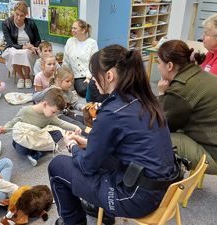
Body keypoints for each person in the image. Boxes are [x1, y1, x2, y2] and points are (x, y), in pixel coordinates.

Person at [48, 44, 179, 225]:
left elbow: (88, 166)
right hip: (163, 188)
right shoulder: (146, 98)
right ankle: (102, 209)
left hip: (136, 198)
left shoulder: (112, 113)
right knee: (97, 158)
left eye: (94, 75)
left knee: (57, 166)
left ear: (109, 76)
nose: (93, 79)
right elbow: (125, 144)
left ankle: (74, 222)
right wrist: (87, 143)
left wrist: (72, 146)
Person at [157, 40, 217, 175]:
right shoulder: (197, 73)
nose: (158, 67)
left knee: (153, 138)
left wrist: (162, 94)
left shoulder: (182, 88)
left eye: (159, 62)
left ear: (169, 66)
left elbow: (161, 124)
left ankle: (158, 182)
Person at [0, 88, 81, 166]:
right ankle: (36, 152)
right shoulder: (25, 111)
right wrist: (4, 129)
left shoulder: (50, 116)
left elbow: (61, 123)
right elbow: (13, 122)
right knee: (21, 149)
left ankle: (35, 154)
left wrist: (75, 127)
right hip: (26, 138)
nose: (54, 115)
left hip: (38, 137)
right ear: (45, 104)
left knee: (59, 135)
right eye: (53, 112)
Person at [2, 1, 41, 89]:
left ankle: (27, 77)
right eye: (17, 14)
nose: (18, 18)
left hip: (29, 46)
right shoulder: (6, 23)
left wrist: (33, 46)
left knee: (26, 53)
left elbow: (38, 39)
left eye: (22, 15)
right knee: (14, 53)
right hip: (13, 46)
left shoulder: (31, 23)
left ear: (26, 15)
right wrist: (23, 47)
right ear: (13, 12)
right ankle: (21, 77)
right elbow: (10, 43)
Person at [34, 66, 86, 130]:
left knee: (82, 119)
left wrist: (83, 108)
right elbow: (35, 97)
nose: (70, 84)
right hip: (56, 117)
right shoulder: (51, 90)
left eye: (71, 82)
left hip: (66, 113)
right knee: (76, 124)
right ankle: (91, 134)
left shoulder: (68, 91)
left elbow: (75, 104)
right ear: (58, 80)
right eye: (67, 81)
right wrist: (49, 90)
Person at [62, 19, 98, 98]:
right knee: (83, 90)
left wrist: (89, 77)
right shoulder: (70, 41)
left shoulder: (92, 43)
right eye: (72, 28)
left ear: (83, 30)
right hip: (77, 76)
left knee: (96, 87)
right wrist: (66, 77)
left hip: (90, 74)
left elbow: (94, 62)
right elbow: (66, 61)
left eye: (75, 28)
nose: (72, 30)